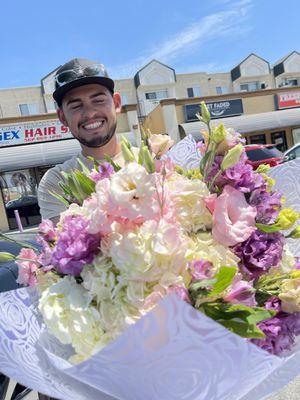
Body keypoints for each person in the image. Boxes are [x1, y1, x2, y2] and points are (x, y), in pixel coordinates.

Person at [38, 58, 133, 224]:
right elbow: (61, 245)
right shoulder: (56, 181)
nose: (89, 113)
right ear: (62, 117)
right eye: (76, 105)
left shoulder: (154, 164)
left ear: (116, 103)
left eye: (98, 100)